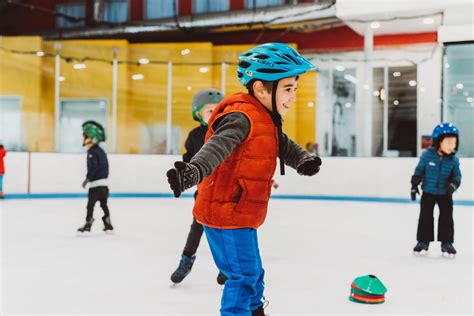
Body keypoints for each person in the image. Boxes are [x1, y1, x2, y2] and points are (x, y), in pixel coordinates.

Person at [167, 43, 322, 316]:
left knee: (252, 272)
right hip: (227, 211)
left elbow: (281, 144)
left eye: (295, 89)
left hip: (240, 211)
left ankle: (255, 311)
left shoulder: (265, 118)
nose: (293, 96)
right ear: (262, 88)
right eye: (288, 89)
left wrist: (302, 160)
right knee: (242, 277)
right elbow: (217, 147)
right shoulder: (241, 117)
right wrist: (193, 171)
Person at [170, 88, 229, 285]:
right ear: (198, 114)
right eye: (209, 110)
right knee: (197, 228)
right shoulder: (195, 136)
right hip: (204, 193)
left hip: (226, 193)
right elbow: (187, 162)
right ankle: (186, 261)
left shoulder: (228, 134)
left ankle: (225, 267)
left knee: (224, 231)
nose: (214, 114)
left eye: (218, 110)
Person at [411, 123, 461, 257]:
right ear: (438, 141)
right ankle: (423, 241)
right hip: (428, 191)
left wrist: (453, 186)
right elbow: (419, 171)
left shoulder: (453, 160)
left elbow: (457, 176)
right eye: (449, 142)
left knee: (446, 218)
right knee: (425, 217)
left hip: (445, 194)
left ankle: (447, 243)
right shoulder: (427, 156)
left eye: (454, 142)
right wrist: (414, 185)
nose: (453, 146)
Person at [78, 121, 113, 233]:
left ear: (93, 138)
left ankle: (88, 224)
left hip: (95, 186)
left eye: (86, 136)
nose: (84, 139)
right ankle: (108, 223)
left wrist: (87, 179)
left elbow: (93, 167)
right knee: (104, 205)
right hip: (104, 186)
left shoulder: (92, 152)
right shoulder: (101, 151)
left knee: (90, 206)